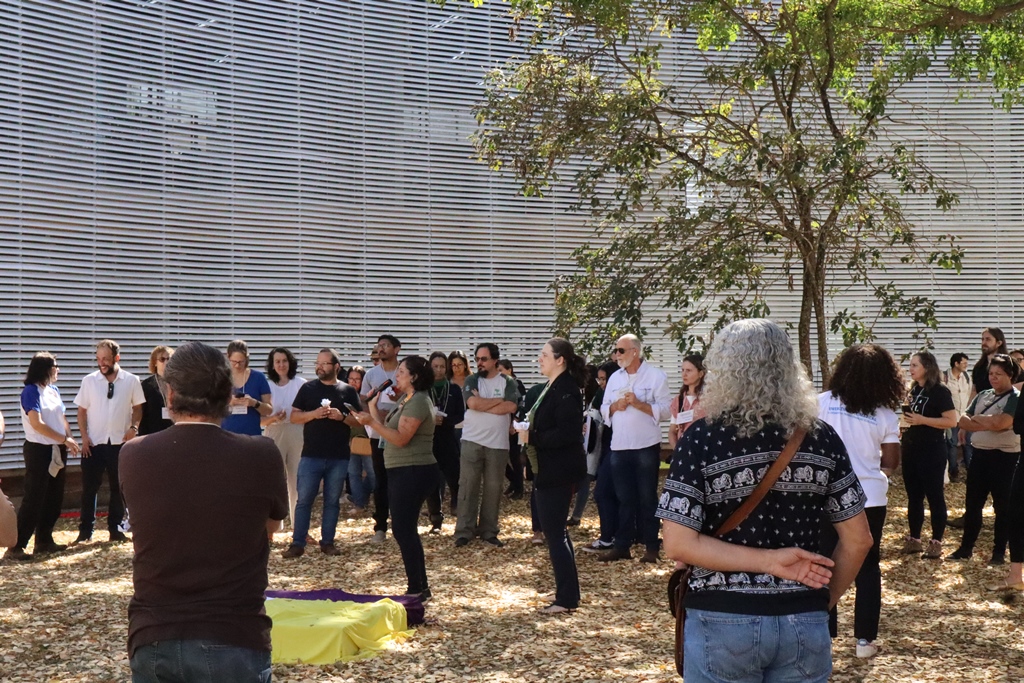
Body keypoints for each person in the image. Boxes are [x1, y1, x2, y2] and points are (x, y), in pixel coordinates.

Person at [657, 319, 872, 683]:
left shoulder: (702, 440)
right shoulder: (821, 439)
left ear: (723, 369)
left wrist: (770, 563)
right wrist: (821, 601)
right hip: (803, 619)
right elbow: (859, 539)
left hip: (722, 618)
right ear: (789, 368)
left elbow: (677, 543)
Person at [119, 341, 287, 683]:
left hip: (155, 634)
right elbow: (272, 526)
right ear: (228, 395)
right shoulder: (261, 454)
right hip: (233, 631)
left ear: (170, 395)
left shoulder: (134, 455)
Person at [818, 343, 904, 659]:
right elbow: (891, 460)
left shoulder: (818, 404)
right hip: (869, 497)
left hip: (824, 494)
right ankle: (865, 641)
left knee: (823, 561)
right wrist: (873, 474)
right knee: (868, 567)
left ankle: (822, 634)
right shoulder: (884, 414)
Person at [353, 356, 438, 600]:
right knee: (405, 529)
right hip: (402, 469)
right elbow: (386, 430)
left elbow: (401, 438)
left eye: (401, 371)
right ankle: (421, 587)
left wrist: (371, 422)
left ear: (414, 377)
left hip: (414, 470)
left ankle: (416, 589)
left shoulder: (419, 401)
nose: (396, 375)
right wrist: (371, 409)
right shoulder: (406, 399)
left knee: (403, 530)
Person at [517, 338, 588, 614]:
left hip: (559, 469)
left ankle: (566, 598)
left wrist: (531, 435)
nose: (539, 359)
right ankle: (567, 593)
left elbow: (567, 434)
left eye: (545, 354)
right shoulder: (552, 387)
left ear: (560, 359)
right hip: (547, 467)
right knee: (556, 532)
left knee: (555, 533)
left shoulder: (567, 390)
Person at [598, 334, 671, 563]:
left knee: (647, 497)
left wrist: (638, 403)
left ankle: (651, 546)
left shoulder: (656, 376)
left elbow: (667, 411)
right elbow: (603, 408)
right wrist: (613, 407)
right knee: (624, 497)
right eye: (616, 350)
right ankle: (623, 545)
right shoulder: (614, 378)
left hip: (645, 445)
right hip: (619, 445)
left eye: (621, 351)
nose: (616, 355)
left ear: (635, 352)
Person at [283, 349, 361, 558]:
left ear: (336, 366)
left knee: (332, 501)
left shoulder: (347, 391)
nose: (320, 367)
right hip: (311, 454)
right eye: (318, 363)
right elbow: (294, 417)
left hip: (338, 455)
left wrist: (342, 417)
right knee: (304, 500)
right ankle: (297, 543)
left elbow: (359, 420)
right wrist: (314, 414)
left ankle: (328, 542)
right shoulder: (308, 389)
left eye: (325, 363)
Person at [4, 353, 80, 561]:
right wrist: (63, 440)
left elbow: (61, 418)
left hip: (57, 447)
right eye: (55, 366)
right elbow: (37, 423)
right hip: (39, 450)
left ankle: (44, 540)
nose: (58, 370)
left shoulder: (53, 391)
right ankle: (16, 546)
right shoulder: (31, 392)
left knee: (54, 497)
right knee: (34, 497)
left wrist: (70, 438)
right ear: (45, 368)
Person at [949, 354, 1020, 566]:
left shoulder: (1015, 398)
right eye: (991, 374)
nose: (993, 378)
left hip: (1005, 457)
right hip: (980, 455)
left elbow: (1003, 422)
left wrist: (981, 422)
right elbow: (963, 419)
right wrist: (989, 423)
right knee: (973, 504)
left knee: (1003, 507)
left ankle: (999, 551)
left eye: (998, 374)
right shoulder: (983, 396)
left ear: (1010, 375)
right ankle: (965, 548)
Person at [73, 339, 145, 544]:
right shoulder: (89, 381)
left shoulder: (131, 380)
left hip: (120, 443)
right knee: (89, 489)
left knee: (118, 487)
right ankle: (85, 531)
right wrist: (84, 437)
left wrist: (134, 428)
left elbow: (138, 408)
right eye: (98, 359)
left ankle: (115, 529)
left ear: (116, 358)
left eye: (105, 359)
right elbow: (81, 411)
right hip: (94, 444)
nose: (101, 363)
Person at [453, 343, 521, 548]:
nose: (479, 363)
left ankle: (489, 531)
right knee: (467, 486)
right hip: (472, 440)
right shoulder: (471, 379)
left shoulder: (508, 382)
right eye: (477, 359)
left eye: (484, 359)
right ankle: (464, 531)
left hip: (498, 444)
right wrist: (496, 401)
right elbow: (472, 404)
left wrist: (484, 402)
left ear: (494, 360)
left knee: (493, 489)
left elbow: (511, 406)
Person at [901, 350, 958, 558]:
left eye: (915, 365)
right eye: (911, 365)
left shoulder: (939, 391)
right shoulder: (914, 390)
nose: (911, 369)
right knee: (914, 495)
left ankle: (936, 541)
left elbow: (951, 421)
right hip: (910, 447)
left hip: (931, 449)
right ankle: (914, 538)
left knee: (934, 496)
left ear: (927, 367)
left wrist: (923, 420)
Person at [580, 360, 628, 553]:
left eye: (604, 379)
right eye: (598, 379)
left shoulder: (619, 392)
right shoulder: (601, 393)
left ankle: (610, 537)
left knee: (604, 492)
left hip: (619, 448)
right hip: (606, 445)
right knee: (610, 493)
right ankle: (613, 535)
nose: (601, 383)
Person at [261, 347, 305, 529]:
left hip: (297, 431)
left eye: (284, 361)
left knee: (297, 478)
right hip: (274, 431)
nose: (281, 365)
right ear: (272, 364)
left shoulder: (301, 383)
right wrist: (273, 418)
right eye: (277, 361)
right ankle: (275, 525)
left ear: (290, 362)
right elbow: (261, 418)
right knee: (275, 478)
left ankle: (298, 524)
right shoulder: (266, 385)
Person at [364, 334, 402, 543]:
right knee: (381, 480)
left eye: (386, 345)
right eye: (379, 346)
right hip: (378, 432)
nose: (381, 349)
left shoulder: (404, 372)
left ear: (397, 349)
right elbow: (363, 399)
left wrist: (400, 400)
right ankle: (380, 526)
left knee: (400, 479)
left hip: (401, 430)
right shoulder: (371, 374)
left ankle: (401, 524)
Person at [425, 351, 465, 531]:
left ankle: (461, 516)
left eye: (442, 366)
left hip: (449, 438)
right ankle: (435, 520)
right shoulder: (424, 389)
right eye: (436, 366)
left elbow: (460, 414)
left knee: (455, 478)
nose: (439, 370)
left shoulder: (454, 389)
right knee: (432, 482)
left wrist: (445, 421)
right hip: (429, 440)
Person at [222, 340, 273, 435]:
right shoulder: (222, 377)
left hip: (251, 435)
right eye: (234, 362)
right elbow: (211, 408)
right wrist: (229, 402)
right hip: (226, 435)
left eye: (241, 362)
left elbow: (269, 410)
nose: (237, 365)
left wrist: (254, 403)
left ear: (247, 359)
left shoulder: (258, 377)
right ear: (228, 357)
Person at [345, 365, 375, 514]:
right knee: (353, 473)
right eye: (351, 378)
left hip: (368, 438)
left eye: (357, 379)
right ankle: (359, 503)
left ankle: (376, 499)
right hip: (349, 440)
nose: (353, 382)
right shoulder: (343, 395)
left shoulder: (366, 398)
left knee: (372, 472)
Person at [497, 358, 528, 500]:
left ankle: (519, 488)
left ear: (509, 370)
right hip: (502, 423)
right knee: (501, 458)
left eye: (501, 371)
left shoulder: (516, 385)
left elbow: (523, 405)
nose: (499, 374)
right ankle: (514, 482)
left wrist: (514, 422)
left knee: (515, 458)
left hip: (514, 425)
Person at [944, 352, 973, 482]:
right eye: (964, 363)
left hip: (965, 416)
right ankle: (953, 472)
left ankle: (970, 472)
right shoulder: (944, 377)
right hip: (952, 416)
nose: (966, 365)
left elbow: (970, 394)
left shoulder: (967, 377)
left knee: (968, 443)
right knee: (952, 444)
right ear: (956, 363)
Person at [667, 354, 706, 452]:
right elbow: (672, 431)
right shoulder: (679, 399)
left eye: (688, 371)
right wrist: (678, 451)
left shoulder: (709, 399)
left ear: (700, 373)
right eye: (683, 370)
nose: (684, 374)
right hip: (683, 451)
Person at [138, 346, 174, 436]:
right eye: (162, 359)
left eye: (169, 359)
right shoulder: (147, 385)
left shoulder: (179, 383)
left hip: (175, 431)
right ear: (155, 362)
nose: (166, 362)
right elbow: (142, 415)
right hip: (154, 432)